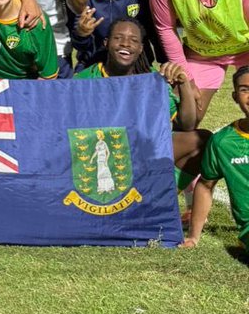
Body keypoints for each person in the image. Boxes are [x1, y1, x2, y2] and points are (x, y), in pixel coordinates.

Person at [74, 19, 205, 204]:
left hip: (141, 153)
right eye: (118, 38)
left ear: (141, 48)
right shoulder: (84, 80)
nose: (126, 44)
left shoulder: (150, 80)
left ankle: (155, 202)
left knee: (201, 141)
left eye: (133, 40)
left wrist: (183, 84)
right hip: (103, 157)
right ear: (106, 43)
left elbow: (187, 124)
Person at [186, 65, 249, 251]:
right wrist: (193, 237)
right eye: (245, 90)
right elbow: (205, 185)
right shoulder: (223, 142)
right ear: (235, 97)